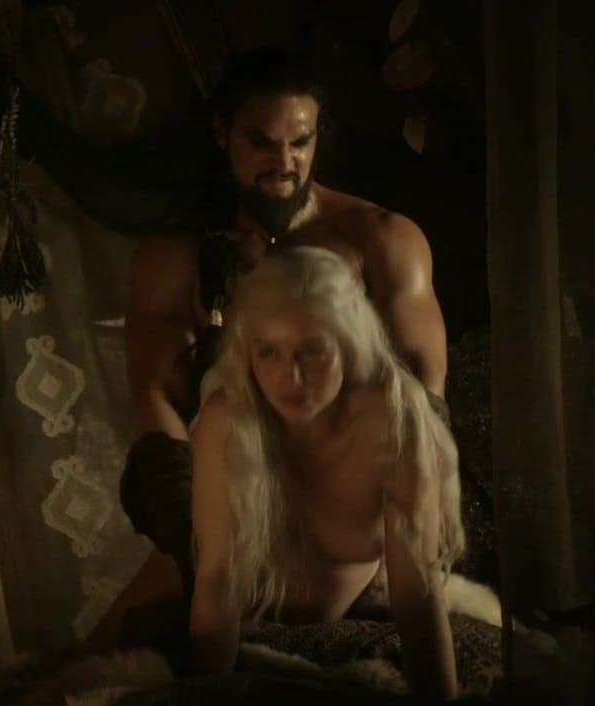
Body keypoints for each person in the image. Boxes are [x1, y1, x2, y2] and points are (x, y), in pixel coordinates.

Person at [89, 46, 449, 650]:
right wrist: (196, 529)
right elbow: (155, 399)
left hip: (356, 510)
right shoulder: (177, 261)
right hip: (233, 506)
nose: (283, 163)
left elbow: (424, 392)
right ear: (222, 133)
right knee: (96, 662)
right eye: (261, 142)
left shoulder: (381, 240)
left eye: (300, 142)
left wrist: (399, 514)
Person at [189, 246, 464, 698]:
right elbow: (216, 579)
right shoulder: (228, 421)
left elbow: (416, 594)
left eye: (312, 350)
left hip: (357, 614)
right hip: (249, 622)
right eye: (268, 353)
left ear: (349, 343)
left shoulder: (393, 421)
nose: (290, 379)